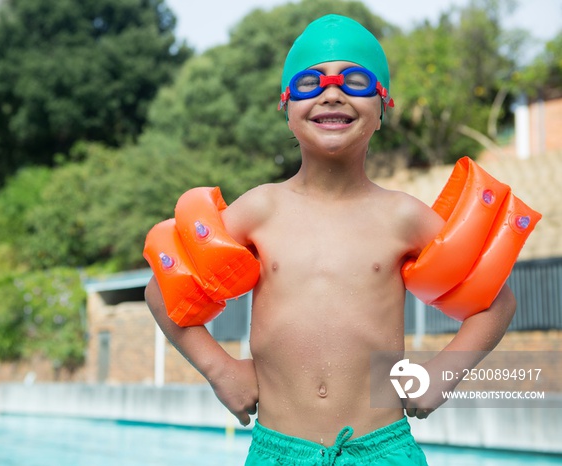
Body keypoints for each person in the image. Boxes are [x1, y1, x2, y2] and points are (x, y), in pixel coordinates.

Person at [144, 14, 517, 465]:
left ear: (382, 109)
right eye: (310, 83)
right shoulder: (261, 210)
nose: (332, 93)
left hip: (381, 448)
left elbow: (496, 302)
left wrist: (442, 374)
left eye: (355, 81)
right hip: (280, 449)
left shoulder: (402, 216)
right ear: (286, 109)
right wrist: (219, 369)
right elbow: (162, 291)